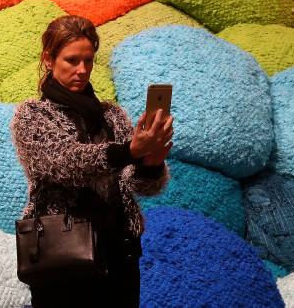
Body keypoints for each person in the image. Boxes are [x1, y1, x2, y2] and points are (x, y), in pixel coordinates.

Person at [10, 15, 173, 308]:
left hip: (119, 251)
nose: (82, 70)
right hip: (61, 253)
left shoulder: (112, 116)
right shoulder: (33, 115)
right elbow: (63, 160)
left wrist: (151, 162)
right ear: (49, 59)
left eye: (89, 60)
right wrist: (128, 152)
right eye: (72, 60)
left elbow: (139, 185)